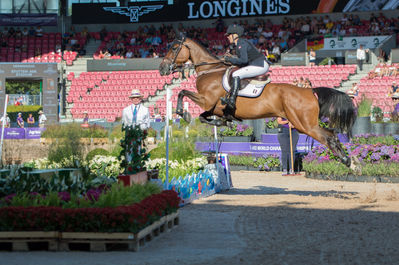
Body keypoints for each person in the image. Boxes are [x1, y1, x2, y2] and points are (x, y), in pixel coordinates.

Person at [221, 24, 270, 110]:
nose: (227, 37)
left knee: (236, 74)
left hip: (260, 65)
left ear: (235, 35)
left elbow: (244, 60)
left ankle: (232, 100)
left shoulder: (241, 43)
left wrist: (230, 59)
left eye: (229, 35)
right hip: (257, 64)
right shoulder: (239, 44)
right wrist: (232, 59)